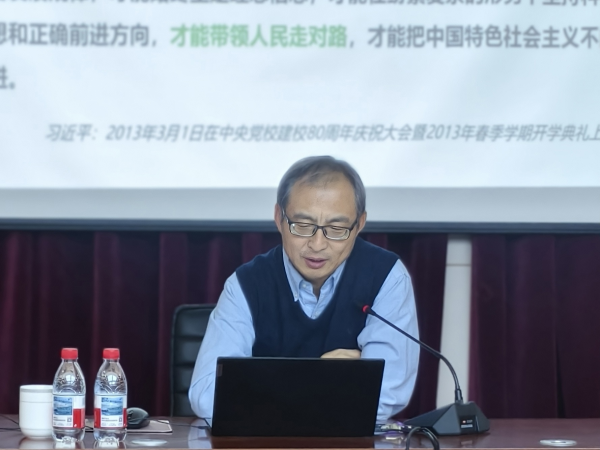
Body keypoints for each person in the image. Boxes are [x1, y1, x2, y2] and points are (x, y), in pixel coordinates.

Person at [188, 156, 419, 420]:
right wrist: (319, 377)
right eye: (303, 226)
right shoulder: (246, 284)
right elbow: (206, 396)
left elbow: (386, 394)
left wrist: (264, 388)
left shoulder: (387, 277)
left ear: (360, 224)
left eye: (337, 228)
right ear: (279, 218)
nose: (317, 244)